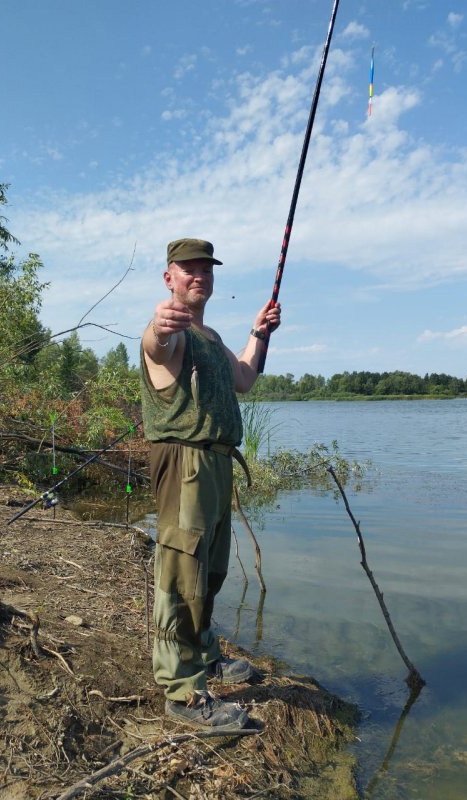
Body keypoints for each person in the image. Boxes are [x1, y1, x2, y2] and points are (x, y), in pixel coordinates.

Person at [140, 238, 281, 731]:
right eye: (189, 269)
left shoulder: (210, 335)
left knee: (211, 573)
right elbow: (159, 344)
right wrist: (160, 326)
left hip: (219, 465)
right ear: (169, 278)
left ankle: (204, 652)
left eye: (206, 269)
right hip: (187, 463)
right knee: (182, 574)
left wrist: (259, 333)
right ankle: (183, 692)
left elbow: (243, 378)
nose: (199, 276)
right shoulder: (171, 331)